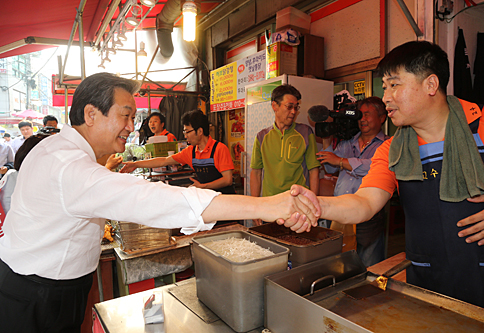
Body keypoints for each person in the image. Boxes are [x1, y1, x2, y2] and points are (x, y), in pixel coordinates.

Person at [0, 72, 320, 332]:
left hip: (41, 284)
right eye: (126, 116)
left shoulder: (57, 149)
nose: (132, 127)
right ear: (90, 114)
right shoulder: (69, 166)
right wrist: (268, 206)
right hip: (38, 295)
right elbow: (152, 199)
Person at [314, 41, 484, 313]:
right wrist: (316, 205)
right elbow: (364, 203)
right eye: (385, 87)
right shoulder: (393, 150)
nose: (386, 96)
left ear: (430, 84)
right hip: (426, 283)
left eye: (394, 85)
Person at [120, 110, 236, 226]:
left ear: (200, 131)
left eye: (187, 131)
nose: (185, 136)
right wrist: (135, 164)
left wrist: (202, 186)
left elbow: (227, 180)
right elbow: (163, 160)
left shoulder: (220, 149)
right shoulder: (191, 151)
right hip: (207, 202)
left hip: (226, 201)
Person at [316, 97, 389, 267]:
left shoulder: (386, 144)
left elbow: (372, 166)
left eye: (367, 115)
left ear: (382, 118)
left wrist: (340, 161)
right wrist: (327, 139)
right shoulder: (348, 142)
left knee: (369, 263)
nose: (361, 119)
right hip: (341, 212)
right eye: (359, 115)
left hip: (369, 215)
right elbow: (330, 168)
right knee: (341, 262)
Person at [250, 84, 320, 225]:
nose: (293, 111)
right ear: (274, 106)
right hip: (270, 207)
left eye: (296, 107)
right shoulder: (262, 136)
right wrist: (255, 207)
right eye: (289, 107)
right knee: (271, 245)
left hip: (299, 206)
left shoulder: (305, 133)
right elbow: (256, 172)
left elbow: (314, 171)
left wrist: (313, 203)